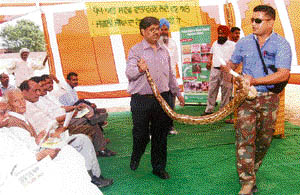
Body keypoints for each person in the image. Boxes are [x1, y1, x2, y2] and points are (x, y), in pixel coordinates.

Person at [221, 5, 292, 195]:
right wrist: (228, 69)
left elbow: (283, 74)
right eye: (252, 20)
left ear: (270, 22)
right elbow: (233, 63)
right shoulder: (243, 42)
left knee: (264, 141)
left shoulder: (281, 45)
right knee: (244, 139)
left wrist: (255, 80)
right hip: (246, 98)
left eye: (258, 21)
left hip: (269, 98)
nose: (253, 24)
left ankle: (251, 172)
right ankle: (247, 182)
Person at [4, 88, 113, 188]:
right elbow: (29, 149)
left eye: (22, 99)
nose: (22, 103)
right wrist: (49, 137)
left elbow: (33, 141)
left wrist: (46, 136)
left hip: (44, 143)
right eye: (16, 101)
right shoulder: (13, 122)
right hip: (37, 155)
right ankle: (91, 178)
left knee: (81, 139)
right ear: (8, 105)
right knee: (73, 148)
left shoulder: (21, 116)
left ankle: (94, 176)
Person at [126, 16, 184, 179]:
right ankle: (136, 154)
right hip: (141, 99)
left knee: (160, 134)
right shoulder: (135, 51)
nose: (156, 32)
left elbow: (170, 74)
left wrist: (177, 93)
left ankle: (158, 167)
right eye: (152, 30)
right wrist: (139, 69)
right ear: (142, 32)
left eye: (157, 29)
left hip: (162, 98)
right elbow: (129, 74)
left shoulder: (164, 50)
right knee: (141, 134)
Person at [202, 25, 236, 116]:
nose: (220, 35)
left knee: (226, 91)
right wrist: (209, 61)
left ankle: (223, 111)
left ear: (227, 34)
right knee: (212, 90)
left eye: (222, 34)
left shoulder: (232, 45)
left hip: (226, 72)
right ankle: (209, 110)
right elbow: (211, 54)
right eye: (219, 33)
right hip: (215, 70)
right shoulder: (214, 43)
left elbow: (236, 57)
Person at [158, 18, 180, 135]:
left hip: (171, 77)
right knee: (159, 103)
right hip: (159, 78)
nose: (164, 32)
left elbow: (175, 60)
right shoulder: (155, 43)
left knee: (171, 102)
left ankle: (170, 126)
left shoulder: (173, 43)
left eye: (166, 29)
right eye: (162, 29)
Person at [226, 27, 241, 124]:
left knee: (236, 94)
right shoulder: (225, 44)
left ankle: (236, 115)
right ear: (230, 34)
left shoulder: (239, 45)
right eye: (236, 33)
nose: (237, 36)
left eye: (239, 34)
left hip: (237, 72)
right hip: (228, 71)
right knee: (228, 92)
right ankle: (230, 114)